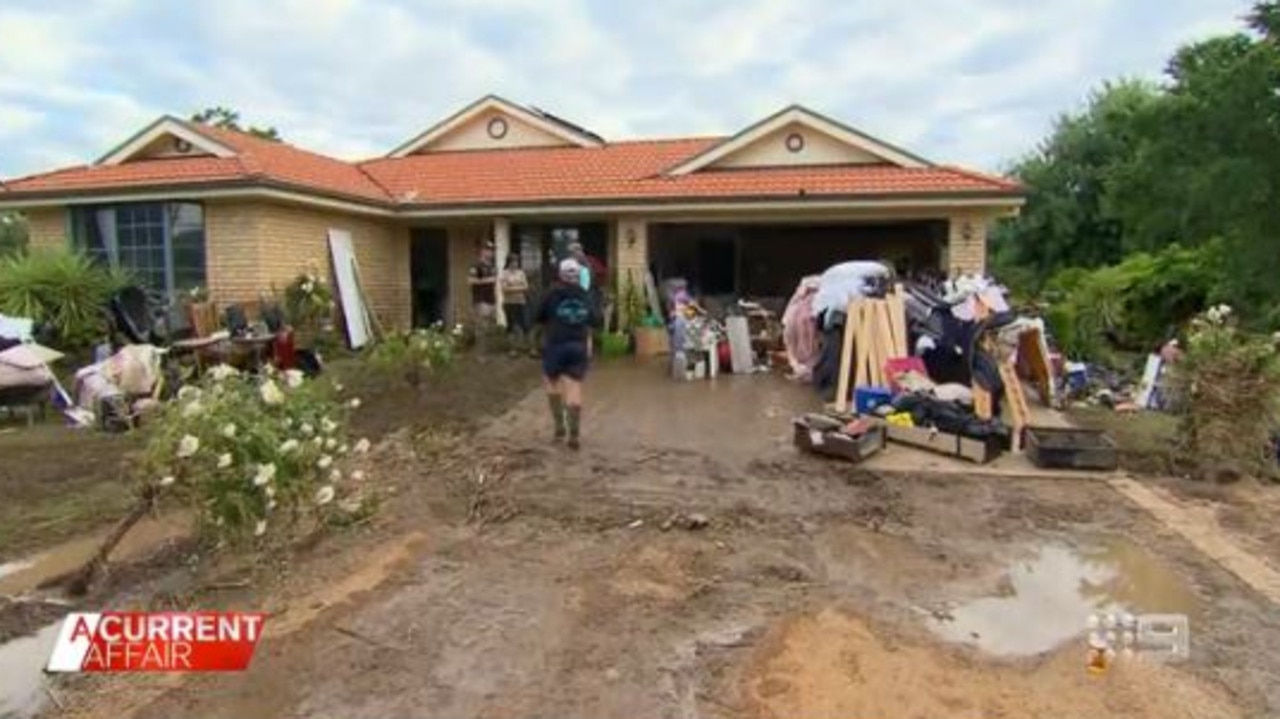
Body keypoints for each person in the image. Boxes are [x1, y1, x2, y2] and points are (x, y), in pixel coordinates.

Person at [535, 258, 602, 450]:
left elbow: (537, 317)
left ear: (560, 275)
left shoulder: (551, 294)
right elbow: (596, 320)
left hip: (555, 345)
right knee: (574, 390)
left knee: (551, 383)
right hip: (578, 346)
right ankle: (574, 433)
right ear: (577, 275)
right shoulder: (585, 295)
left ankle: (559, 428)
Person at [467, 242, 497, 347]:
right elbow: (470, 281)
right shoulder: (476, 266)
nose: (491, 252)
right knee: (481, 327)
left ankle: (485, 352)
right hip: (480, 299)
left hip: (491, 299)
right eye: (488, 250)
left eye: (492, 250)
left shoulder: (492, 267)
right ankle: (480, 354)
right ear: (482, 251)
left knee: (489, 327)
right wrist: (487, 280)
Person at [499, 253, 530, 347]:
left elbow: (526, 287)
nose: (515, 264)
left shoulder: (521, 273)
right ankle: (513, 347)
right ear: (508, 262)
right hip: (509, 302)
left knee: (525, 324)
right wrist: (519, 287)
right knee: (511, 325)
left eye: (516, 261)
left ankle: (525, 345)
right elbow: (504, 289)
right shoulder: (504, 273)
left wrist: (512, 286)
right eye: (513, 261)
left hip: (521, 302)